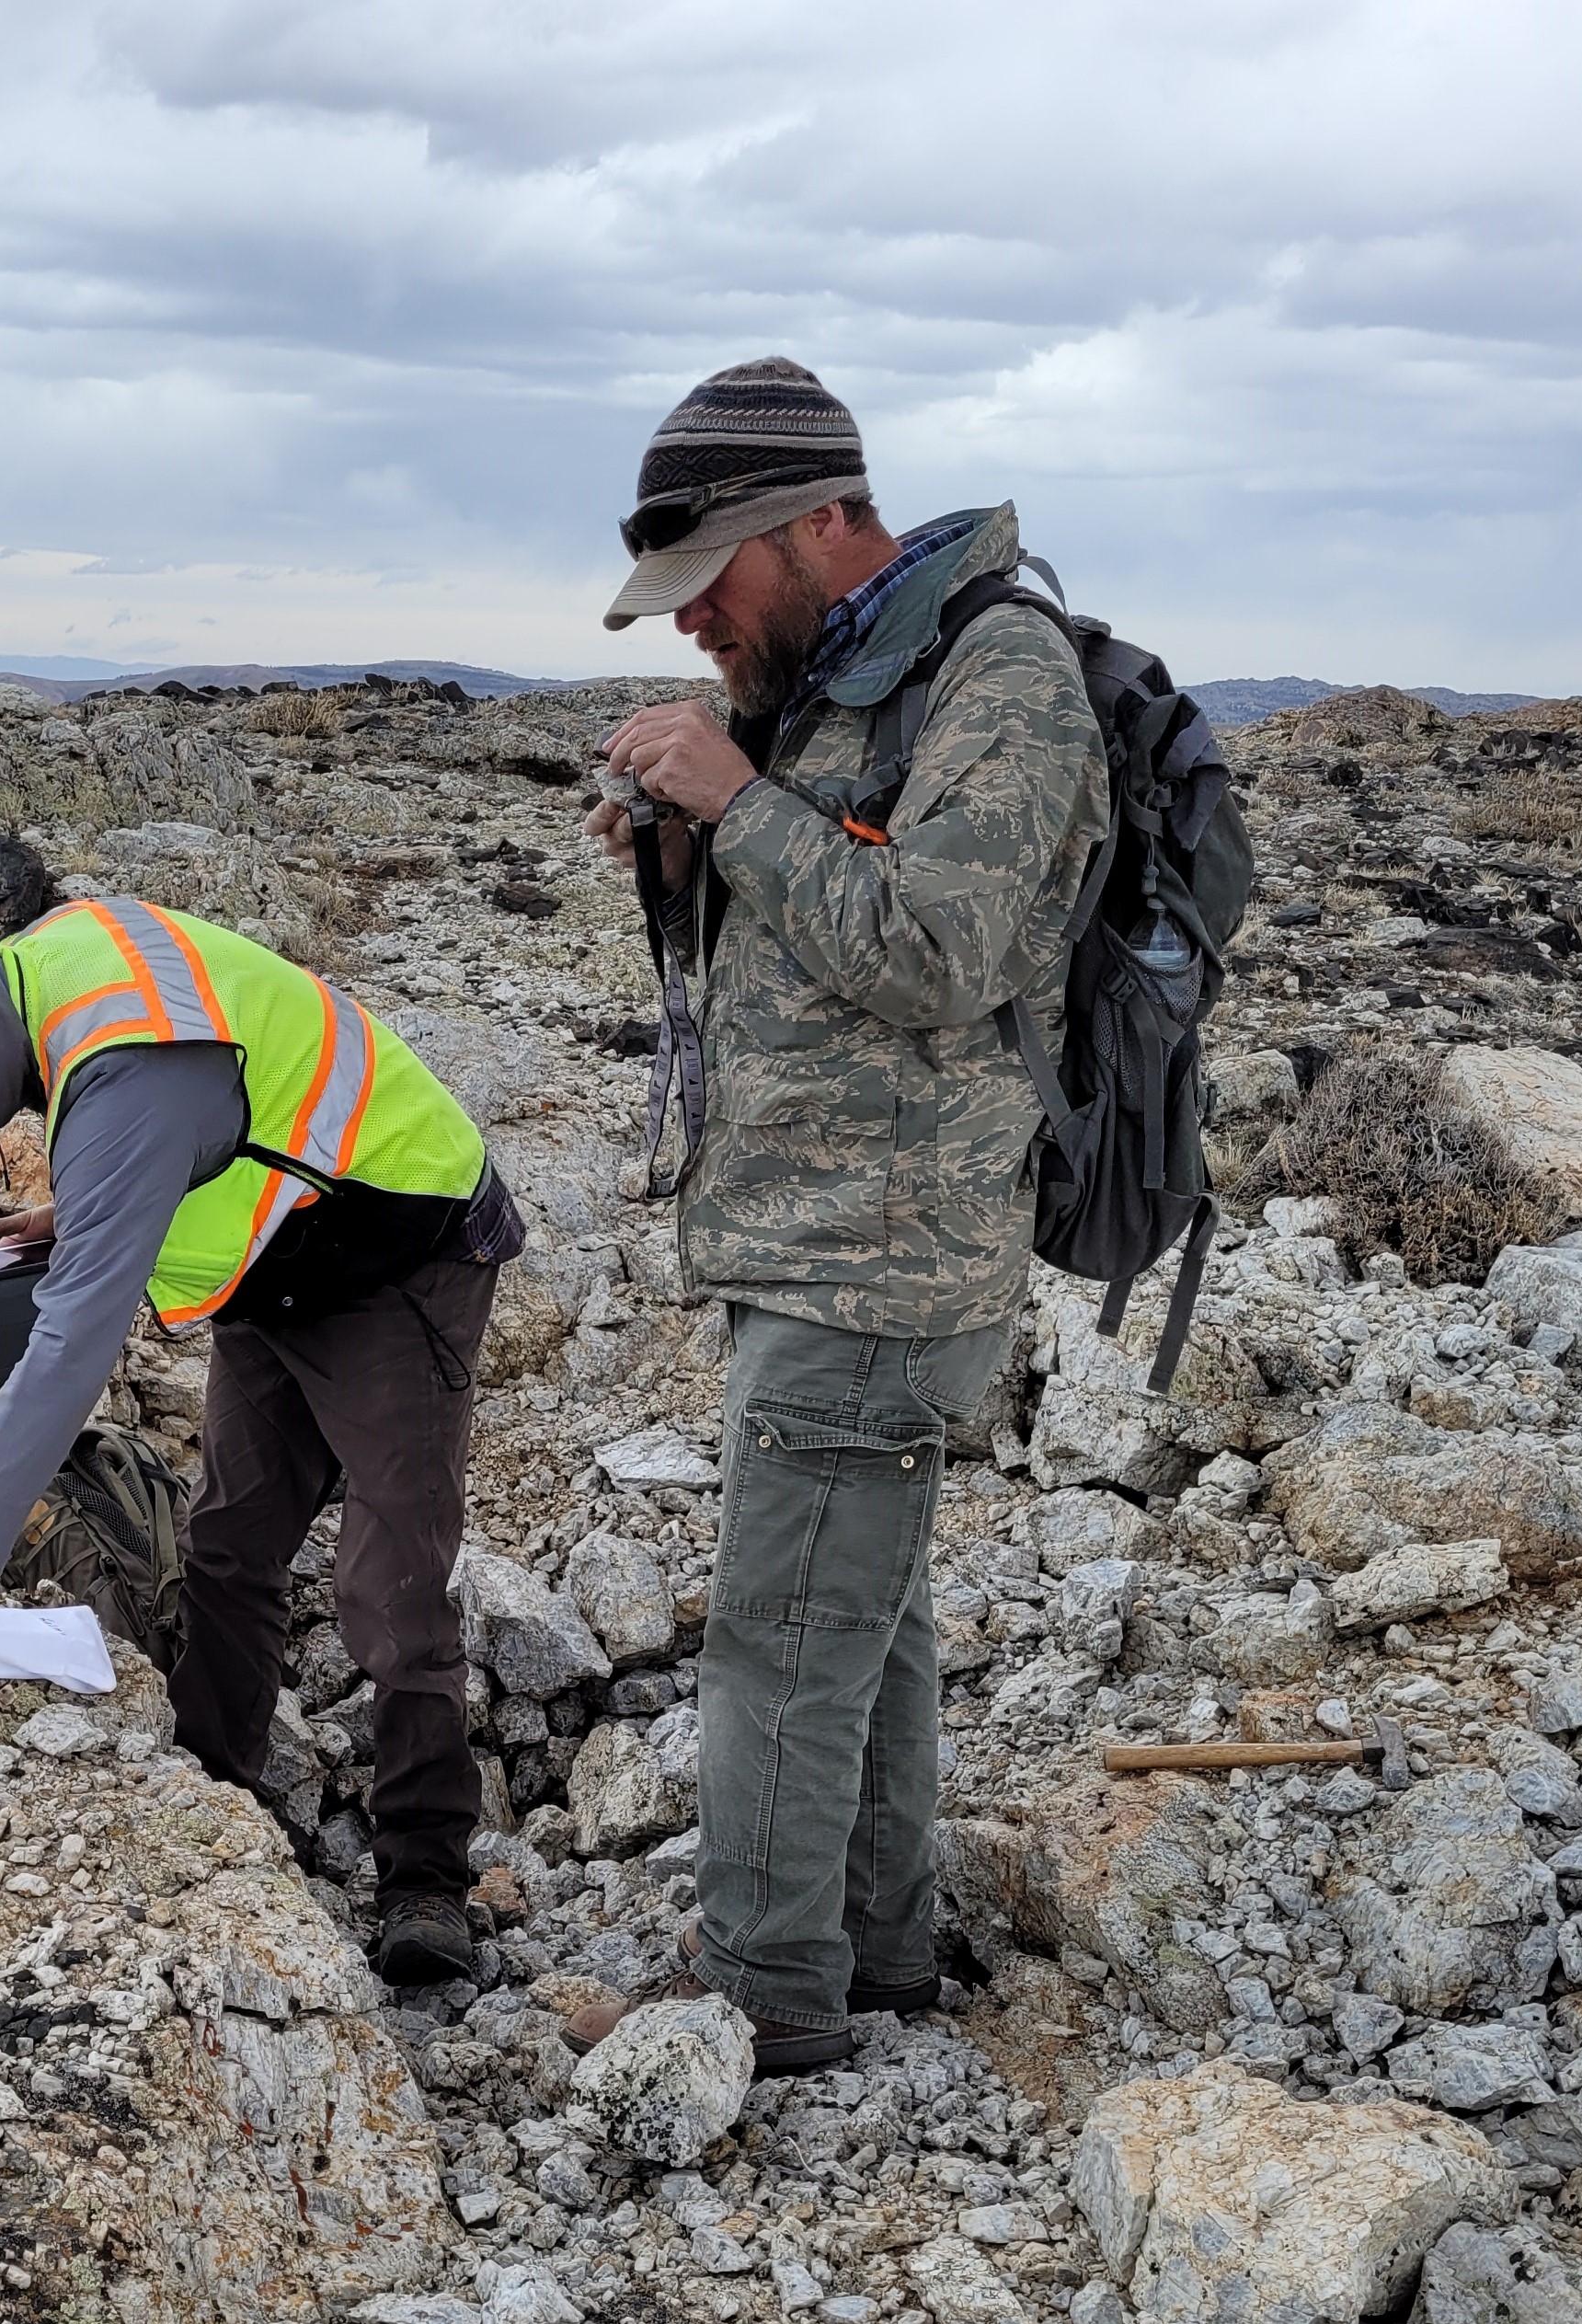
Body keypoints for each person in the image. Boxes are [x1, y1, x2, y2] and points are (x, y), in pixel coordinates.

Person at [585, 356, 1108, 2072]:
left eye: (708, 588)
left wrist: (735, 802)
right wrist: (691, 835)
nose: (690, 630)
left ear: (816, 523)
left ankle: (762, 1995)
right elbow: (825, 913)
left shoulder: (999, 673)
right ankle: (876, 1955)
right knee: (857, 1627)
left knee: (781, 1644)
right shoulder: (841, 669)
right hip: (825, 1239)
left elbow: (938, 951)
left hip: (880, 1263)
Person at [0, 898, 523, 1985]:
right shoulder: (41, 977)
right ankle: (216, 1788)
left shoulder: (125, 1069)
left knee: (393, 1579)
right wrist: (86, 1207)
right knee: (231, 1542)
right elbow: (187, 1131)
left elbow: (70, 1344)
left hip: (396, 1243)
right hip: (277, 1257)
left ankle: (424, 1873)